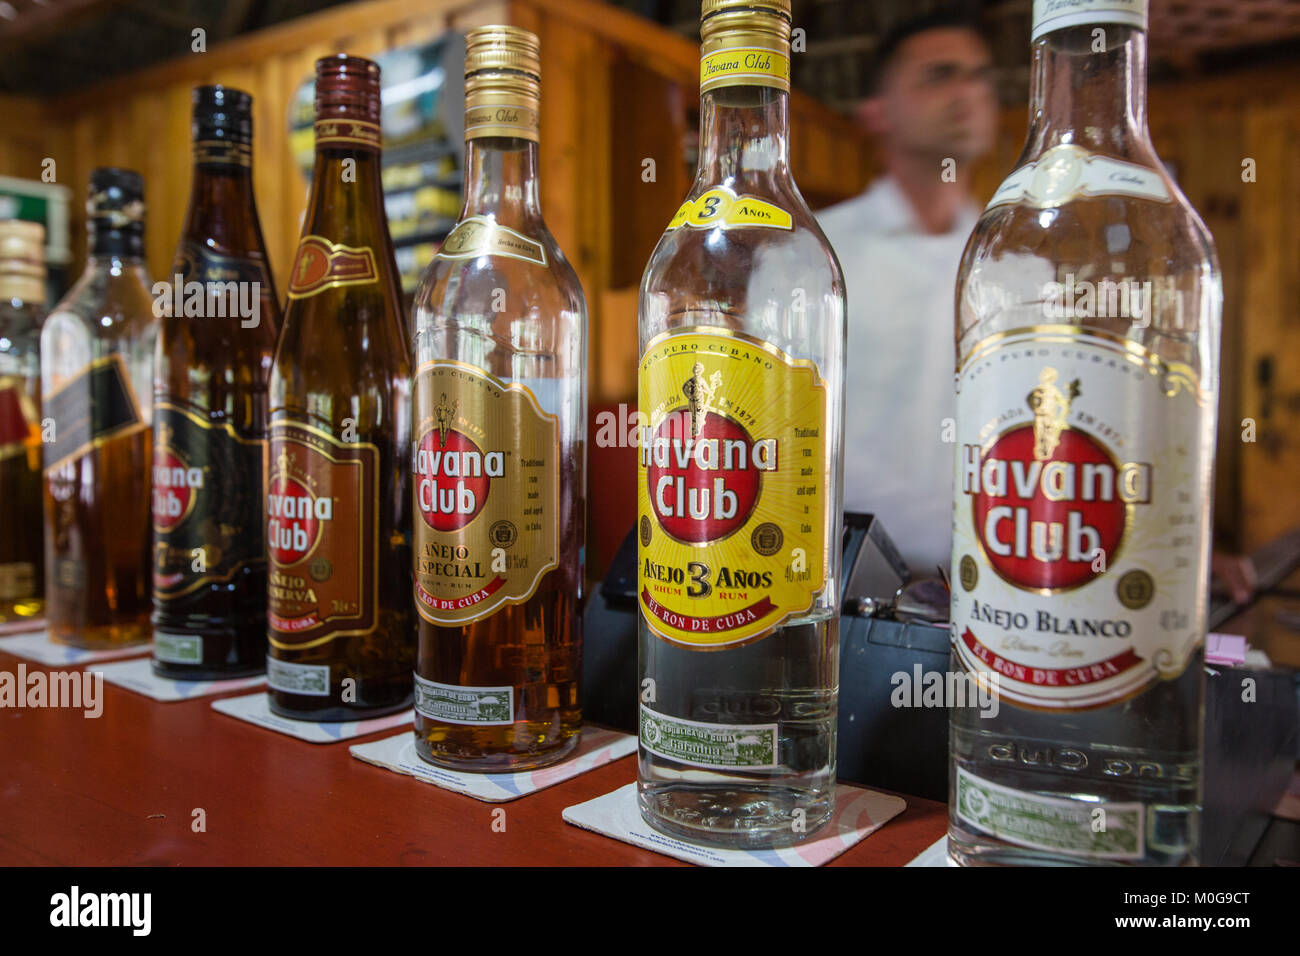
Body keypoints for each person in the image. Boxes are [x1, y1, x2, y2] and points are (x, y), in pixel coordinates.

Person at [817, 10, 997, 575]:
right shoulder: (815, 252)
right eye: (939, 75)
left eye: (980, 75)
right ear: (876, 111)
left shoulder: (1020, 259)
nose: (967, 92)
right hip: (840, 587)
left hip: (996, 581)